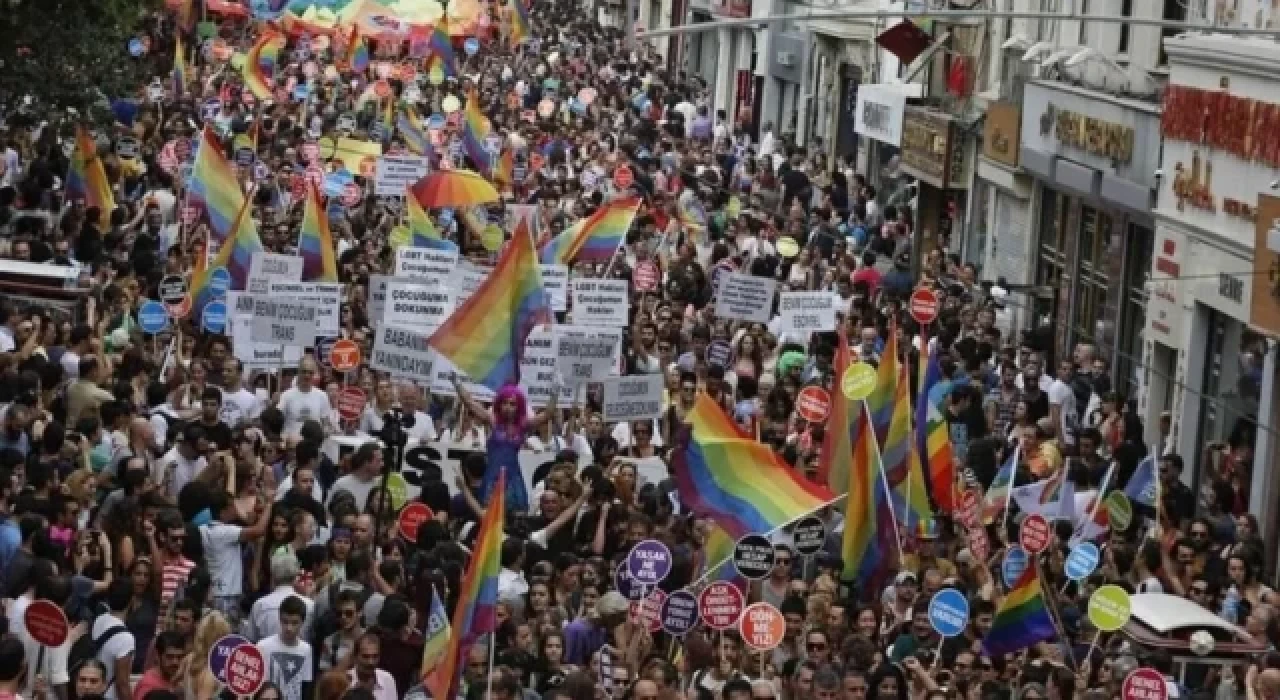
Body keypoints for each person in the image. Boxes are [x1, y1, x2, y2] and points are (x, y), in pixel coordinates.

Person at [256, 595, 314, 700]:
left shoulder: (306, 649)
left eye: (294, 623)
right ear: (279, 619)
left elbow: (306, 685)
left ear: (302, 622)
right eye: (285, 622)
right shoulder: (263, 646)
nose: (289, 628)